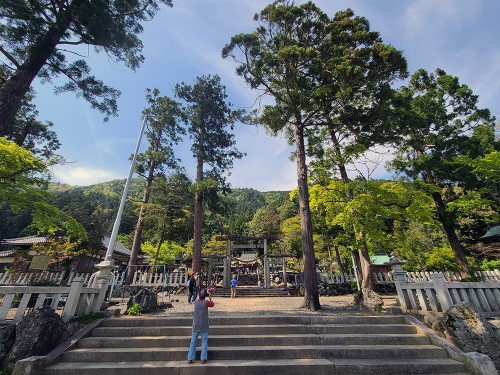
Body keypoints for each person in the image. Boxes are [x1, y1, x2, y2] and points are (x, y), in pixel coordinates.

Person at [187, 288, 214, 364]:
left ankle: (190, 358)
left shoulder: (195, 302)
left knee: (193, 341)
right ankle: (203, 358)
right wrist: (210, 297)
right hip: (204, 324)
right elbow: (212, 304)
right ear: (205, 296)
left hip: (196, 323)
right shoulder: (206, 302)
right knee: (204, 341)